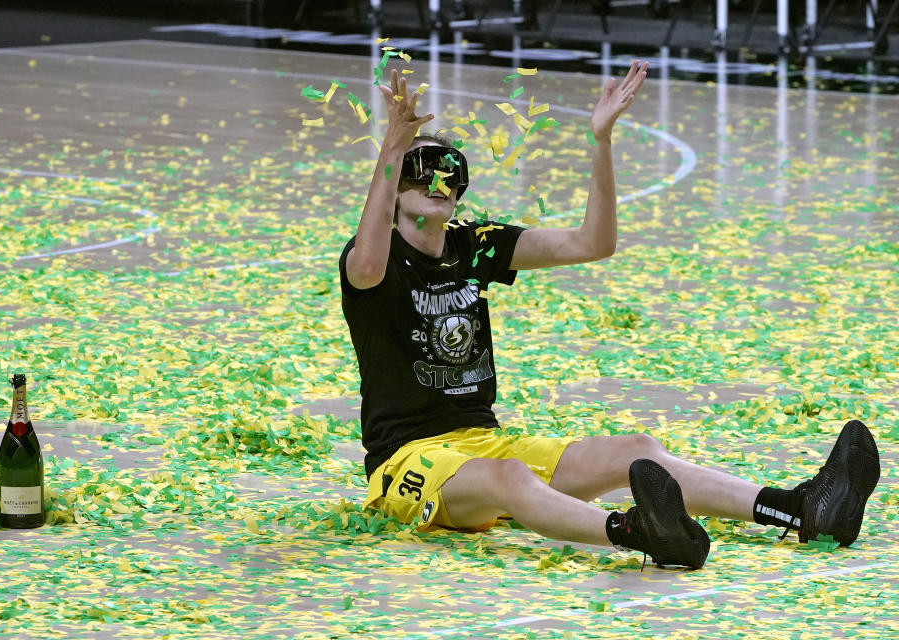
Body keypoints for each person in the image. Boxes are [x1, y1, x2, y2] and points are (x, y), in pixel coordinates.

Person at [338, 61, 881, 569]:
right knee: (507, 477)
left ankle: (796, 507)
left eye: (448, 173)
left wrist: (601, 140)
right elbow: (365, 268)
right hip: (405, 462)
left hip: (483, 438)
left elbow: (593, 242)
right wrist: (392, 146)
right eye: (419, 168)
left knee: (637, 450)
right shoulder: (374, 254)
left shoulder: (473, 246)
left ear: (460, 193)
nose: (436, 182)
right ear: (397, 183)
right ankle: (637, 534)